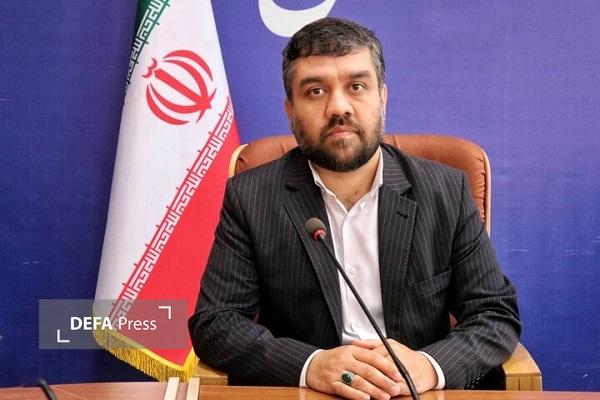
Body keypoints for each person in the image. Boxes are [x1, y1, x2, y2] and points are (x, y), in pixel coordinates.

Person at [189, 17, 520, 400]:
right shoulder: (251, 197)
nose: (338, 107)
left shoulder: (444, 191)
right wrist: (310, 365)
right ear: (290, 110)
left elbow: (494, 313)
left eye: (356, 86)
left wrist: (428, 366)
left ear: (382, 97)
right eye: (315, 91)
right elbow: (216, 322)